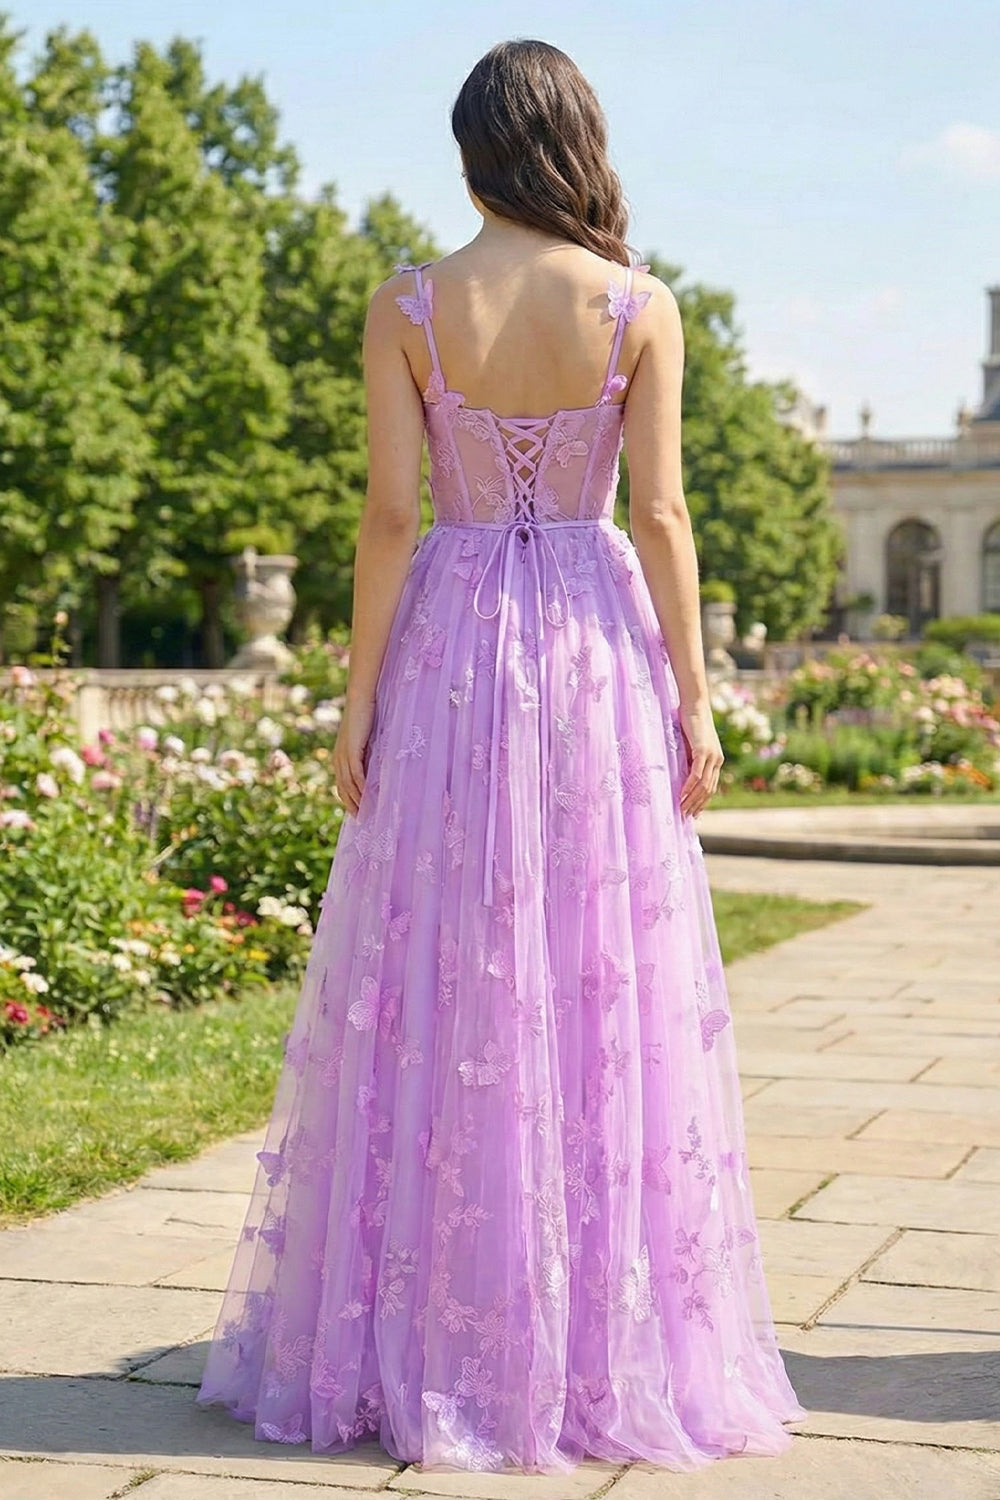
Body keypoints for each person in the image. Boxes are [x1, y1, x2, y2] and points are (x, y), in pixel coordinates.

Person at [196, 36, 805, 1475]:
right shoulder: (638, 306)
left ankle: (422, 1338)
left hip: (459, 640)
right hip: (593, 650)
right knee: (599, 969)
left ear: (472, 151)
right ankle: (595, 1341)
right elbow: (660, 516)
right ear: (577, 143)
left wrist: (356, 702)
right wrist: (698, 697)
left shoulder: (410, 302)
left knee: (441, 964)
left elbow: (389, 520)